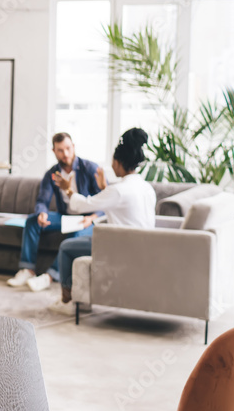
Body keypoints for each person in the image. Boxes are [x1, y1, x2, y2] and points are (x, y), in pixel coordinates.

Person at [46, 128, 157, 314]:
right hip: (143, 245)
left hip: (120, 246)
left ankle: (68, 301)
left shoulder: (119, 190)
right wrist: (104, 188)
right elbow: (123, 211)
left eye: (113, 161)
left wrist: (67, 189)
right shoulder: (145, 187)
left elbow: (84, 205)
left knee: (66, 248)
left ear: (120, 163)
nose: (111, 166)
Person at [7, 132, 103, 292]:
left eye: (68, 148)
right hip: (65, 217)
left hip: (86, 219)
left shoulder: (90, 168)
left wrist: (92, 218)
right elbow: (42, 200)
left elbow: (104, 200)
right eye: (60, 150)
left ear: (73, 147)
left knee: (76, 235)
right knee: (32, 221)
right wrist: (42, 213)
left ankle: (49, 276)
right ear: (54, 151)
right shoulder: (52, 174)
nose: (65, 154)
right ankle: (27, 270)